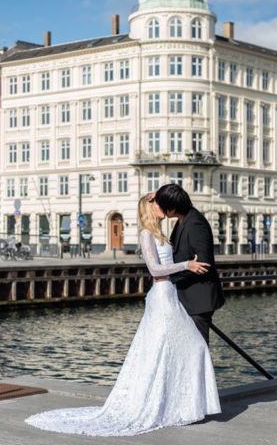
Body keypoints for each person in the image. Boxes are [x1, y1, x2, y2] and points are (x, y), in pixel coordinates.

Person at [24, 194, 220, 436]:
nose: (162, 207)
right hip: (162, 297)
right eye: (158, 204)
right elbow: (155, 270)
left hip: (171, 296)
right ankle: (172, 403)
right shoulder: (146, 235)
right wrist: (186, 265)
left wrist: (155, 194)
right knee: (181, 348)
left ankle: (179, 403)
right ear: (150, 210)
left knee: (180, 350)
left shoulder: (160, 232)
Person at [153, 183, 225, 345]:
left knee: (198, 349)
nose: (162, 211)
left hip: (198, 300)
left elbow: (203, 264)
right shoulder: (184, 218)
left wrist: (171, 277)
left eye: (163, 207)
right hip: (189, 297)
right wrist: (157, 195)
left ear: (172, 208)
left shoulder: (195, 223)